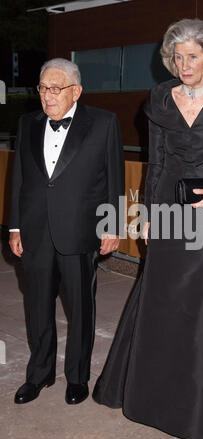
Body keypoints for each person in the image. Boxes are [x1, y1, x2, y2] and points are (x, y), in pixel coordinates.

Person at [93, 18, 203, 439]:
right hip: (168, 209)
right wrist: (147, 213)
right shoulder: (161, 97)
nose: (184, 64)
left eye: (193, 56)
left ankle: (201, 402)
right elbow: (158, 162)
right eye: (178, 57)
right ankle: (150, 390)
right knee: (162, 294)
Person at [9, 58, 124, 405]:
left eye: (55, 88)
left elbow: (114, 178)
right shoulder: (27, 123)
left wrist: (112, 225)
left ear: (76, 91)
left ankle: (77, 376)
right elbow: (18, 181)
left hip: (79, 231)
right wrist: (14, 226)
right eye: (43, 88)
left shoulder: (103, 123)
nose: (47, 96)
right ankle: (39, 374)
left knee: (81, 309)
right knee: (37, 308)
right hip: (35, 232)